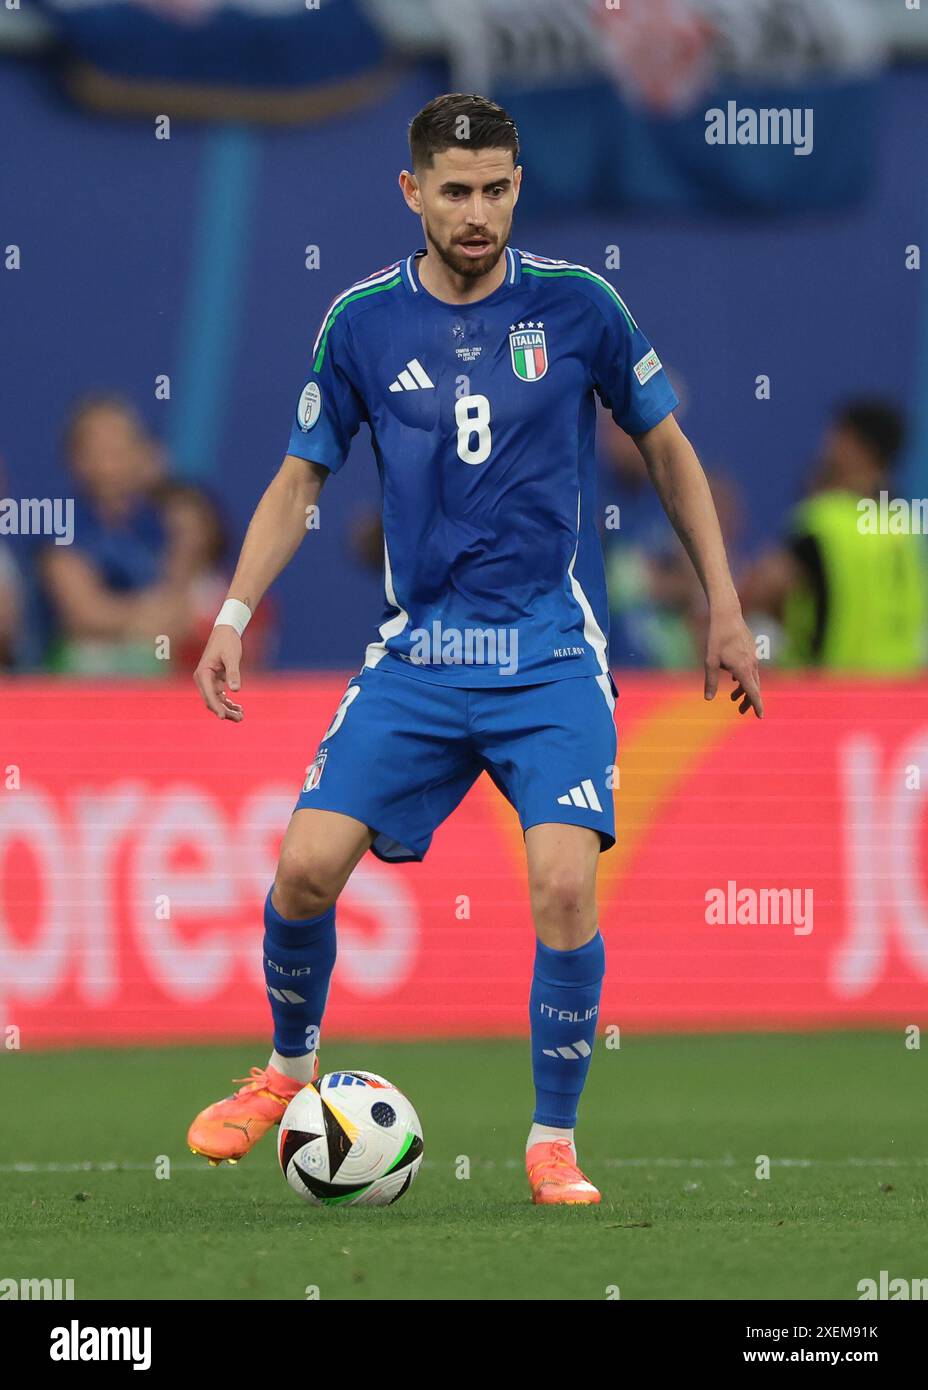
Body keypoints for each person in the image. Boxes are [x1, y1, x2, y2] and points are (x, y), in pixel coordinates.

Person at [187, 93, 761, 1205]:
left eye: (496, 188)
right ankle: (286, 1073)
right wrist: (229, 616)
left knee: (560, 885)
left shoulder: (580, 306)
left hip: (545, 650)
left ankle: (551, 1138)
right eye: (455, 191)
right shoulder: (359, 322)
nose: (478, 211)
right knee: (304, 868)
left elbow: (671, 453)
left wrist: (723, 606)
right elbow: (299, 476)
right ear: (412, 193)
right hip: (420, 654)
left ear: (515, 187)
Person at [742, 398, 926, 672]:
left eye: (836, 436)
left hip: (835, 694)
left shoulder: (825, 521)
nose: (826, 447)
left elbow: (756, 593)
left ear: (856, 447)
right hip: (903, 695)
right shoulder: (908, 529)